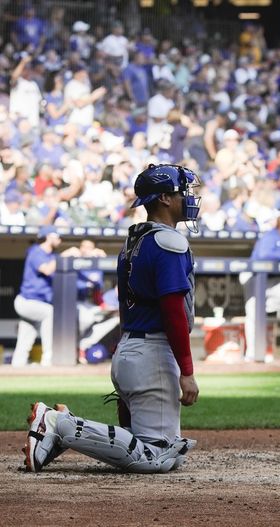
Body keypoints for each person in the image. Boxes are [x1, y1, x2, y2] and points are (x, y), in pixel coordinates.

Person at [23, 163, 201, 473]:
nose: (186, 198)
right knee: (156, 457)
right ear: (164, 199)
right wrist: (187, 370)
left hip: (131, 350)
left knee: (171, 453)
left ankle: (60, 429)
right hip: (152, 355)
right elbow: (173, 310)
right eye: (179, 192)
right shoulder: (169, 243)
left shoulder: (136, 239)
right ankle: (59, 425)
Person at [242, 212, 280, 361]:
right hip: (253, 276)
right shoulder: (270, 236)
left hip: (269, 279)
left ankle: (261, 308)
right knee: (252, 315)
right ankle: (252, 353)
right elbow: (263, 254)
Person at [11, 226, 62, 367]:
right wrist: (64, 257)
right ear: (49, 236)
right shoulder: (36, 251)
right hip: (27, 301)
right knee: (50, 313)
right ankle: (48, 358)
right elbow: (46, 269)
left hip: (36, 303)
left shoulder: (52, 256)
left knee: (27, 332)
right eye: (57, 236)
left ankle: (17, 365)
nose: (60, 239)